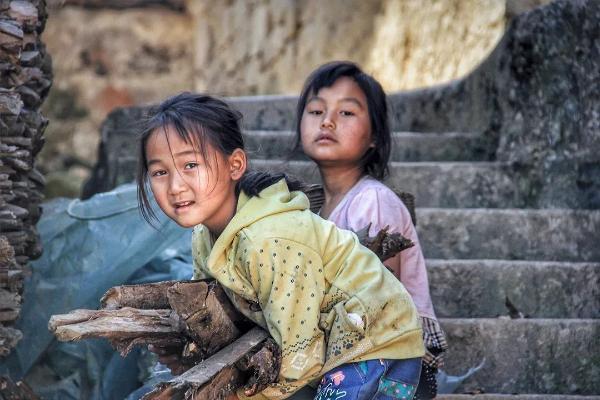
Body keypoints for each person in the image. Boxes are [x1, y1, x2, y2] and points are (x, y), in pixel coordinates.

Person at [136, 92, 424, 399]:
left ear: (235, 165)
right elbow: (212, 311)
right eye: (160, 172)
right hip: (326, 343)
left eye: (190, 164)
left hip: (376, 343)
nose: (176, 186)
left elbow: (301, 357)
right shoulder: (203, 237)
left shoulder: (268, 241)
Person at [296, 61, 448, 399]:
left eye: (347, 113)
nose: (327, 121)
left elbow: (377, 307)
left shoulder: (373, 202)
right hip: (346, 355)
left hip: (391, 363)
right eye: (316, 110)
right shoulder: (312, 210)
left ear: (375, 138)